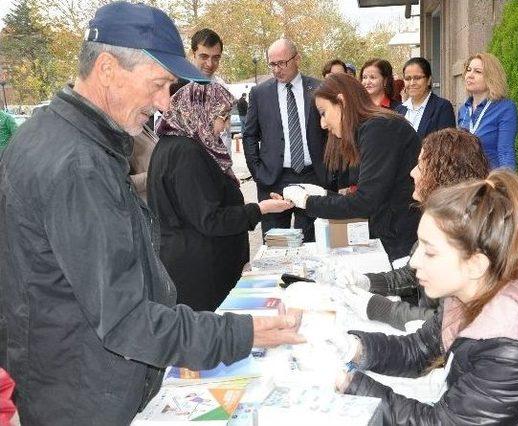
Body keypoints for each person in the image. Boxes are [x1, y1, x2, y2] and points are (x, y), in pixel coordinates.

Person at [0, 3, 302, 424]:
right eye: (158, 84)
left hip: (66, 378)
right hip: (87, 396)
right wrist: (243, 332)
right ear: (107, 69)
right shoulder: (77, 164)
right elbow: (126, 320)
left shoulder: (49, 135)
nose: (164, 103)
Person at [333, 169, 518, 424]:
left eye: (429, 251)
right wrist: (353, 347)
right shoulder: (475, 290)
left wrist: (354, 385)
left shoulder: (514, 350)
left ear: (476, 264)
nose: (415, 262)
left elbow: (440, 423)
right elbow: (419, 348)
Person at [148, 82, 293, 311]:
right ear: (198, 112)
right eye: (222, 116)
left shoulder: (176, 145)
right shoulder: (187, 153)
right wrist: (260, 209)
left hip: (197, 264)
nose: (225, 126)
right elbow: (210, 219)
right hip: (201, 274)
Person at [338, 129, 489, 330]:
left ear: (441, 174)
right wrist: (367, 281)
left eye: (420, 165)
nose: (412, 172)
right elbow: (412, 273)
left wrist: (380, 309)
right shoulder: (444, 217)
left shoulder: (465, 232)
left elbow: (445, 323)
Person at [281, 73, 421, 262]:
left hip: (400, 243)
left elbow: (364, 202)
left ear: (341, 101)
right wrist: (323, 195)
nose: (322, 124)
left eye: (323, 113)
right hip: (389, 235)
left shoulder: (379, 129)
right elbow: (367, 195)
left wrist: (309, 202)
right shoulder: (369, 129)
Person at [242, 38, 327, 241]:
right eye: (272, 64)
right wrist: (258, 172)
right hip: (273, 180)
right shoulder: (259, 93)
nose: (277, 69)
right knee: (275, 242)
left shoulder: (319, 88)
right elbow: (249, 135)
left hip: (313, 176)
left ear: (297, 58)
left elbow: (330, 132)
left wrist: (329, 172)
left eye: (282, 63)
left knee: (312, 240)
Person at [457, 52, 518, 169]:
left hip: (491, 181)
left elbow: (505, 152)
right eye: (468, 70)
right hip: (467, 182)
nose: (469, 75)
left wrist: (506, 184)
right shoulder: (463, 110)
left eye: (478, 71)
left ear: (492, 77)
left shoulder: (505, 108)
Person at [190, 28, 234, 155]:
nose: (210, 64)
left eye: (216, 58)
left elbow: (225, 135)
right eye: (204, 56)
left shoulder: (224, 88)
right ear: (193, 54)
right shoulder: (176, 86)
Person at [396, 57, 455, 140]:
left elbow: (447, 145)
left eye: (417, 78)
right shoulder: (399, 110)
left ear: (428, 80)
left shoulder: (442, 107)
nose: (412, 83)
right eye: (408, 78)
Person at [129, 123, 158, 201]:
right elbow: (121, 183)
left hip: (164, 198)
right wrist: (158, 176)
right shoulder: (121, 133)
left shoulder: (140, 122)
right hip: (149, 206)